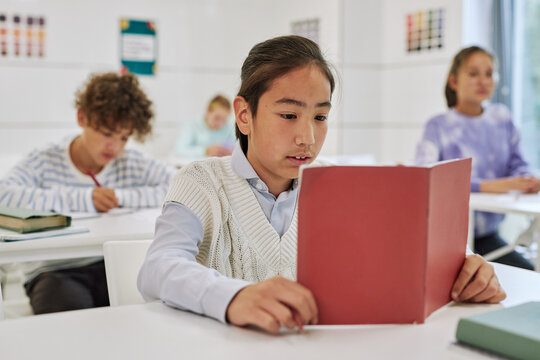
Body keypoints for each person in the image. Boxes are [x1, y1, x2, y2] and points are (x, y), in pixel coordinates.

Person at [138, 36, 506, 334]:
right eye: (288, 115)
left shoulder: (343, 185)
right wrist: (234, 297)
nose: (307, 137)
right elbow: (158, 267)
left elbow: (415, 251)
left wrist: (468, 268)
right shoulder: (201, 181)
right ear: (244, 115)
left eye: (320, 116)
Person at [0, 72, 176, 314]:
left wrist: (120, 197)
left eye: (123, 138)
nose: (114, 147)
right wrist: (84, 199)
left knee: (142, 311)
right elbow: (5, 196)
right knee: (71, 317)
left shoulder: (131, 161)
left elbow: (179, 185)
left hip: (112, 264)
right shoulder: (45, 160)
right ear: (82, 117)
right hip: (55, 270)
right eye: (106, 133)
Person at [416, 46, 539, 271]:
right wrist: (491, 186)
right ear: (453, 82)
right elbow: (426, 178)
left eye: (489, 73)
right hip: (445, 239)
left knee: (528, 273)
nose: (483, 81)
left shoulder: (502, 118)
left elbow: (519, 164)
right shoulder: (438, 126)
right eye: (473, 74)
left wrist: (527, 180)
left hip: (487, 236)